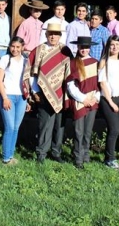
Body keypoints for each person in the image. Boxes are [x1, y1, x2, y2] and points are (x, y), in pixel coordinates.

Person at [25, 22, 72, 163]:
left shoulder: (65, 51)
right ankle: (41, 153)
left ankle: (56, 152)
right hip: (43, 94)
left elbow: (70, 73)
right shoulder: (38, 50)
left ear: (60, 36)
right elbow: (31, 73)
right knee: (45, 125)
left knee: (59, 125)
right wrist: (35, 92)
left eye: (56, 34)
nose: (53, 36)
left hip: (61, 94)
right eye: (50, 34)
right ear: (46, 34)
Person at [66, 36, 100, 169]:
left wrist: (94, 98)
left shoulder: (95, 62)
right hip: (79, 101)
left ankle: (86, 154)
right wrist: (83, 99)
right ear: (78, 47)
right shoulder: (73, 63)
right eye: (81, 47)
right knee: (78, 131)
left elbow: (100, 84)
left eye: (86, 47)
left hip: (93, 100)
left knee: (88, 131)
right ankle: (78, 157)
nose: (84, 49)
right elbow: (70, 85)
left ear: (90, 48)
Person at [0, 36, 31, 165]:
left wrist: (28, 98)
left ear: (22, 47)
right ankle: (5, 158)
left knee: (16, 128)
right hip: (8, 95)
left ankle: (10, 155)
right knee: (9, 127)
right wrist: (4, 97)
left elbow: (27, 80)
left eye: (18, 47)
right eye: (13, 46)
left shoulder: (25, 61)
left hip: (21, 97)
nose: (15, 49)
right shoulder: (5, 59)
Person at [98, 35, 119, 170]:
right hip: (108, 99)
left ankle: (108, 157)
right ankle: (110, 159)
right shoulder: (105, 61)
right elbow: (103, 83)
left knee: (114, 130)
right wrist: (110, 102)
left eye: (117, 44)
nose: (114, 47)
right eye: (112, 45)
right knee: (115, 129)